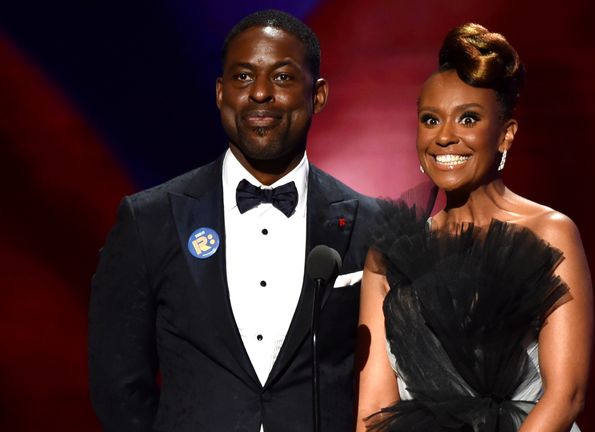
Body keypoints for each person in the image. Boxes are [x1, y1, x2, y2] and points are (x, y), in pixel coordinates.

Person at [89, 9, 379, 432]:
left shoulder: (372, 224)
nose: (260, 93)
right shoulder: (148, 219)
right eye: (243, 77)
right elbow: (118, 385)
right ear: (221, 93)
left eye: (281, 77)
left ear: (317, 95)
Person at [356, 23, 593, 432]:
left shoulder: (548, 233)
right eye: (430, 120)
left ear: (506, 135)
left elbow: (566, 395)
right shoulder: (390, 255)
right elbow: (374, 408)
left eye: (468, 119)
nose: (445, 137)